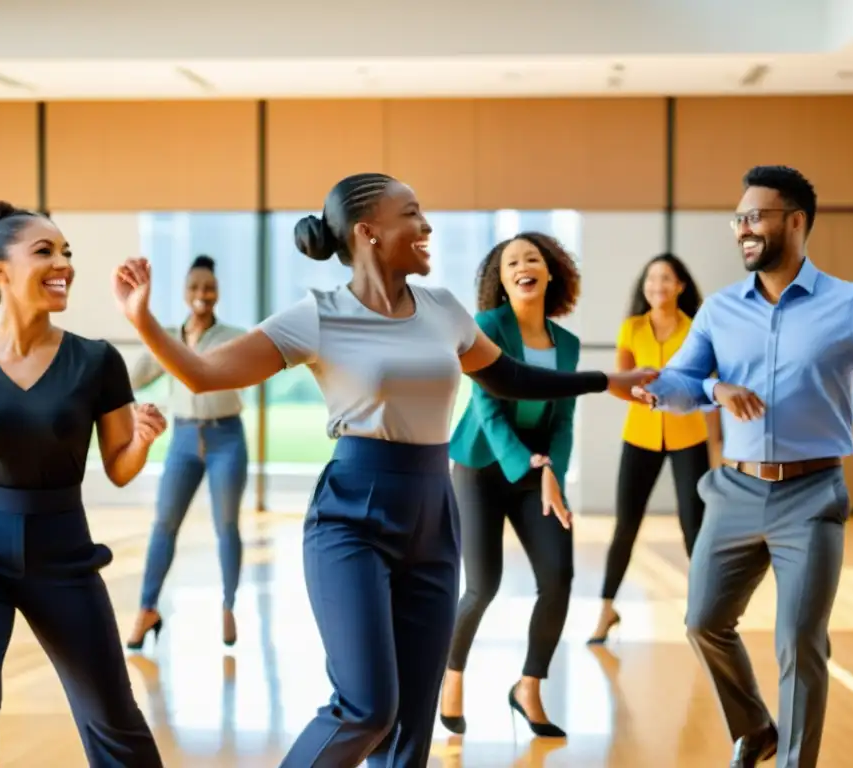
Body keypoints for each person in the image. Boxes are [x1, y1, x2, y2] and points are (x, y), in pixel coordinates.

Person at [109, 172, 655, 768]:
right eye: (412, 215)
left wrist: (608, 381)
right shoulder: (318, 315)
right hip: (352, 515)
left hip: (433, 513)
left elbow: (514, 378)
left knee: (410, 731)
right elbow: (204, 374)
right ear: (369, 233)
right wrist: (144, 323)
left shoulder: (444, 310)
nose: (426, 227)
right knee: (367, 707)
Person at [635, 165, 853, 768]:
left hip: (812, 496)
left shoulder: (852, 305)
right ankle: (756, 727)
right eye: (739, 219)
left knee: (800, 644)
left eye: (756, 217)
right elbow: (679, 383)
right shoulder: (721, 311)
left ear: (795, 221)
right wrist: (713, 388)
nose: (744, 229)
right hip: (733, 491)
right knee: (702, 622)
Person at [0, 200, 166, 767]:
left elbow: (119, 467)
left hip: (62, 551)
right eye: (44, 251)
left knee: (112, 713)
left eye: (66, 252)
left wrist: (144, 440)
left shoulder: (97, 361)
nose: (64, 263)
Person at [440, 232, 581, 739]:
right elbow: (488, 409)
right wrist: (528, 465)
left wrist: (552, 478)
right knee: (483, 585)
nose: (524, 266)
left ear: (550, 273)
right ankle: (450, 676)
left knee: (559, 575)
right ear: (500, 281)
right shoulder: (488, 327)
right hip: (482, 465)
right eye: (511, 263)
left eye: (533, 259)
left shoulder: (567, 345)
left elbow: (563, 421)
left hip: (536, 470)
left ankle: (528, 686)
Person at [589, 253, 722, 645]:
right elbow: (620, 382)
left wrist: (717, 448)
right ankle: (606, 610)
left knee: (693, 527)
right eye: (651, 279)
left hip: (688, 436)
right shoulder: (631, 328)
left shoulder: (698, 328)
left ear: (680, 285)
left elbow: (709, 388)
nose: (657, 286)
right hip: (641, 436)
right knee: (625, 526)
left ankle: (704, 613)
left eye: (665, 279)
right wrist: (640, 395)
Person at [125, 254, 249, 651]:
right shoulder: (167, 337)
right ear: (184, 292)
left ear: (218, 292)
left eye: (209, 287)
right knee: (164, 524)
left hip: (226, 438)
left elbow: (245, 371)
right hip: (181, 440)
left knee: (226, 526)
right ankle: (146, 608)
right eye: (195, 287)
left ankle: (228, 605)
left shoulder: (234, 337)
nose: (202, 294)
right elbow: (133, 379)